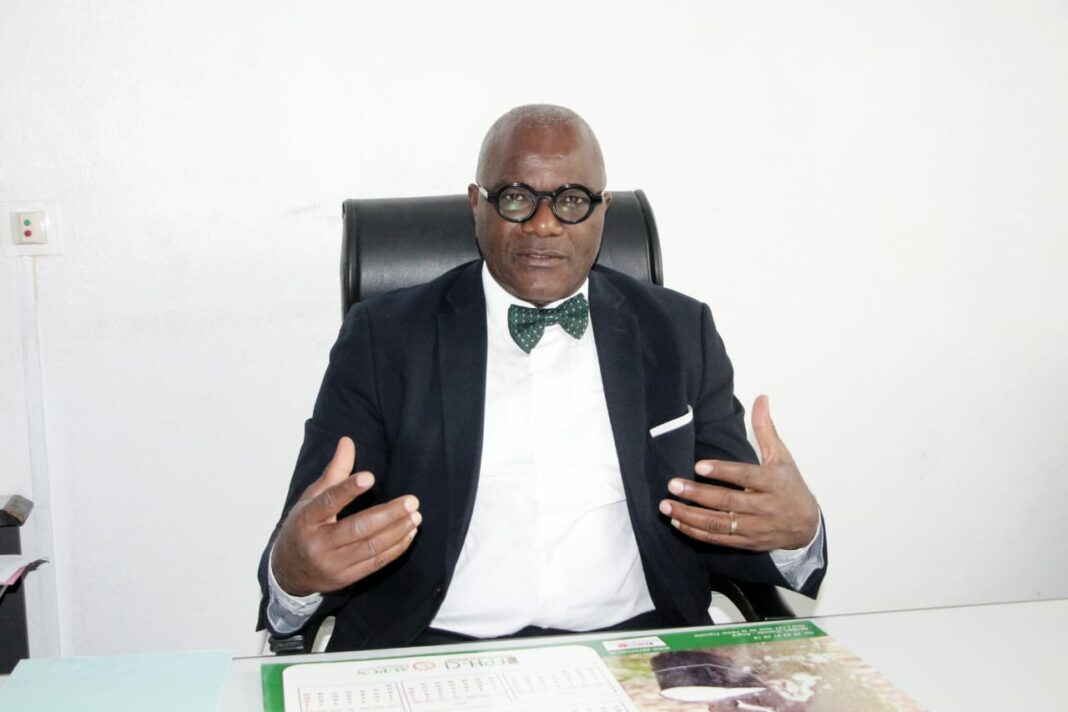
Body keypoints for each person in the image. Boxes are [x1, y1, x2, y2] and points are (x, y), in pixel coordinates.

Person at [257, 105, 826, 652]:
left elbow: (733, 520)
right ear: (477, 204)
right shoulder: (383, 338)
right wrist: (294, 576)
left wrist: (798, 533)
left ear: (603, 210)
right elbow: (314, 535)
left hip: (640, 646)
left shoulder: (678, 331)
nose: (545, 224)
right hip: (436, 652)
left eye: (572, 200)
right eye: (516, 198)